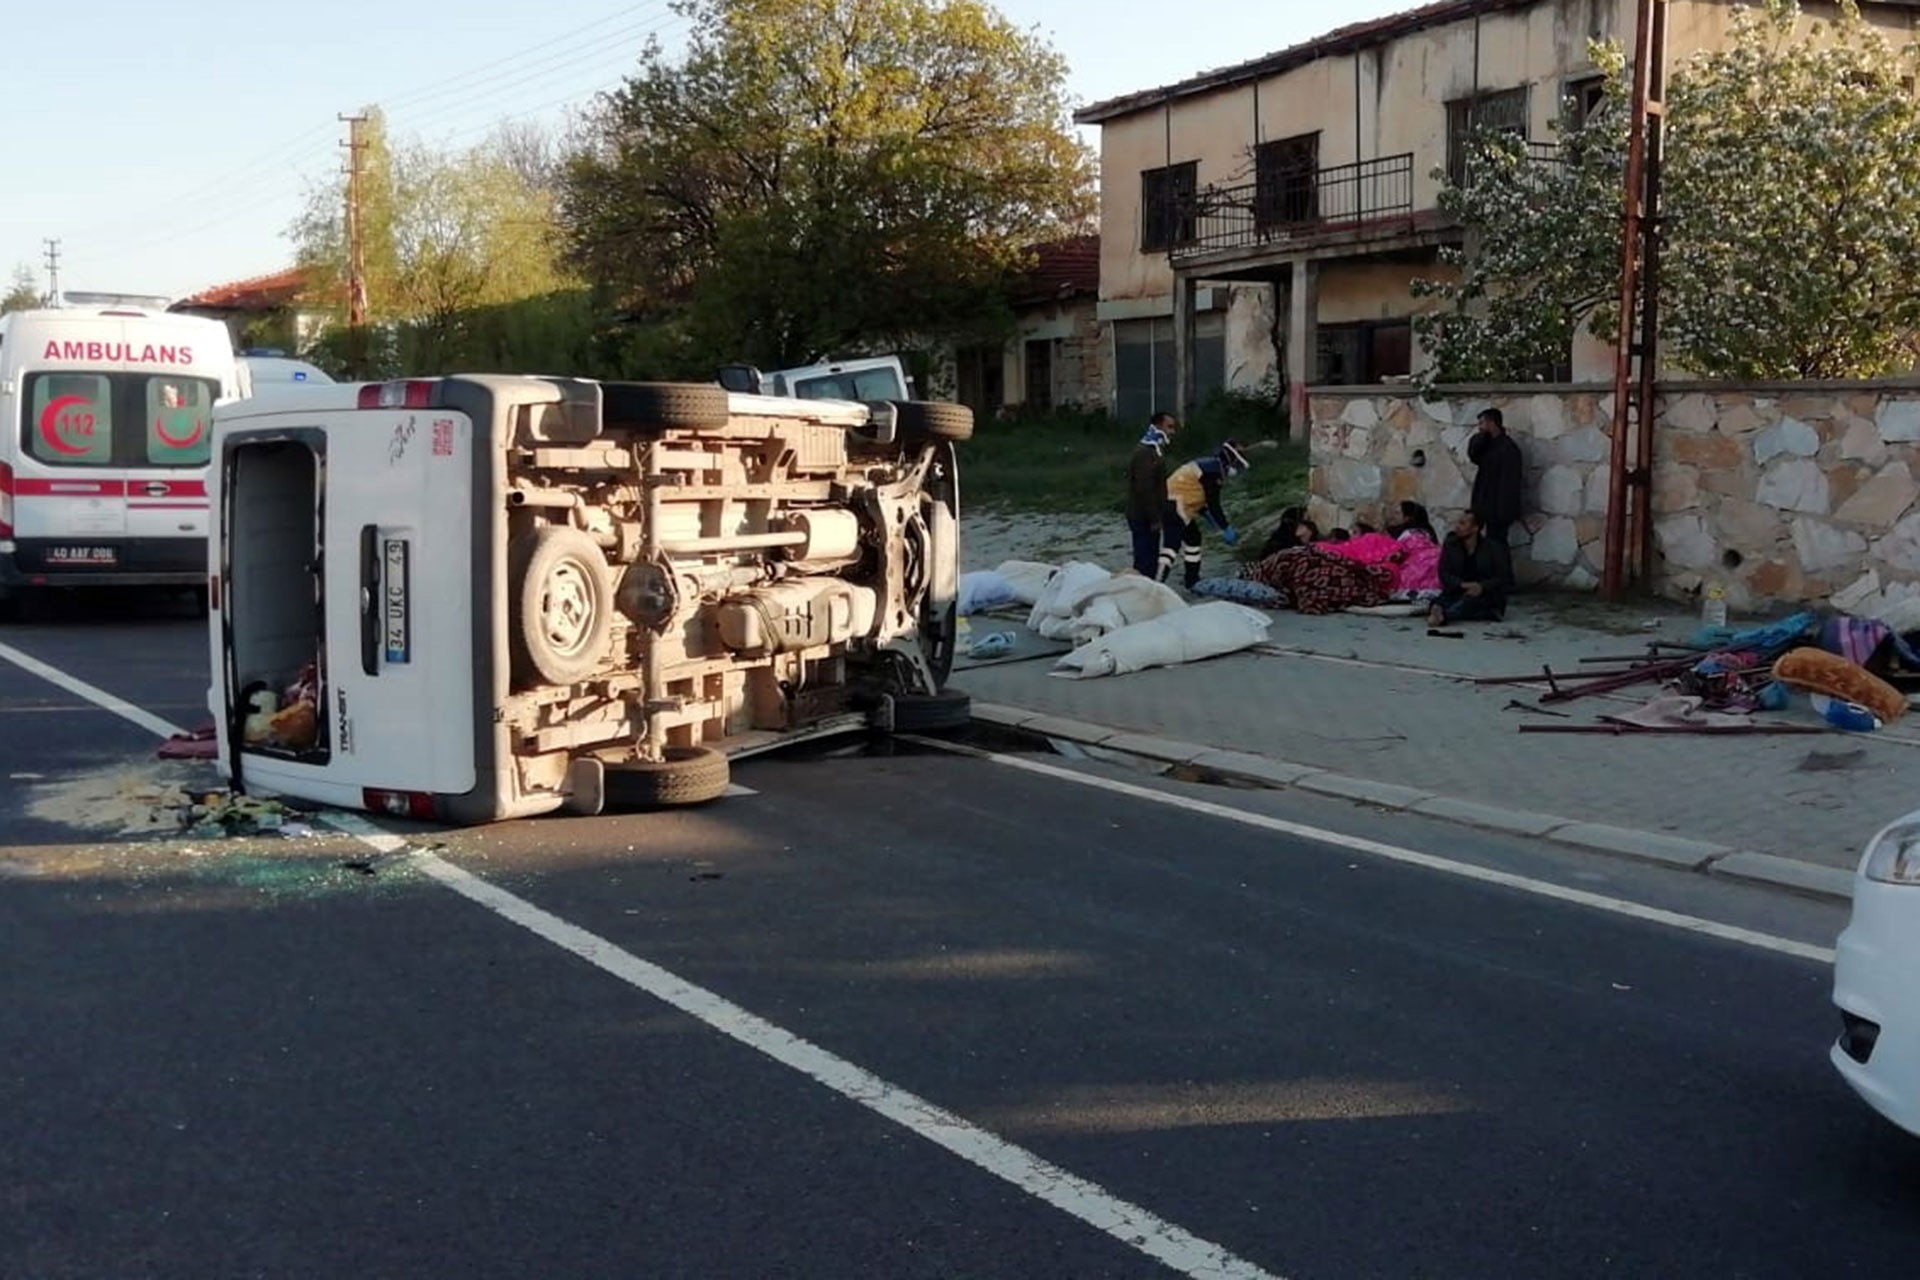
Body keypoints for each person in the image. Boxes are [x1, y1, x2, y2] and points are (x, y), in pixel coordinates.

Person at [1161, 439, 1250, 589]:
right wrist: (1225, 527)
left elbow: (1196, 493)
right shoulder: (1213, 472)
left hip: (1177, 503)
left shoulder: (1210, 465)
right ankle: (1157, 580)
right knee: (1172, 545)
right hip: (1175, 504)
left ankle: (1192, 579)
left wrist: (1207, 514)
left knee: (1193, 538)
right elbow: (1214, 503)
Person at [1429, 508, 1515, 626]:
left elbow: (1503, 577)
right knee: (1438, 601)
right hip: (1458, 590)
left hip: (1485, 595)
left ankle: (1444, 616)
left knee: (1470, 602)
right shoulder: (1451, 545)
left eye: (1463, 524)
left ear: (1475, 528)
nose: (1457, 527)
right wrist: (1462, 585)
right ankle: (1440, 611)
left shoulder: (1493, 548)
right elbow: (1444, 573)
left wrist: (1482, 586)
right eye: (1458, 523)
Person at [1126, 412, 1178, 577]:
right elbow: (1145, 488)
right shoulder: (1146, 452)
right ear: (1158, 426)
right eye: (1169, 427)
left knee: (1150, 559)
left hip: (1149, 515)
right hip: (1143, 516)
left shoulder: (1155, 450)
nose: (1172, 432)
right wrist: (1154, 518)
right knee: (1144, 561)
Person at [1467, 407, 1524, 545]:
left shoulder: (1508, 448)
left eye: (1482, 423)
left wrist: (1503, 513)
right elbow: (1474, 454)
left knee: (1497, 546)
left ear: (1492, 423)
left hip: (1497, 510)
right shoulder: (1487, 445)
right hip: (1483, 505)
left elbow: (1509, 483)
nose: (1480, 427)